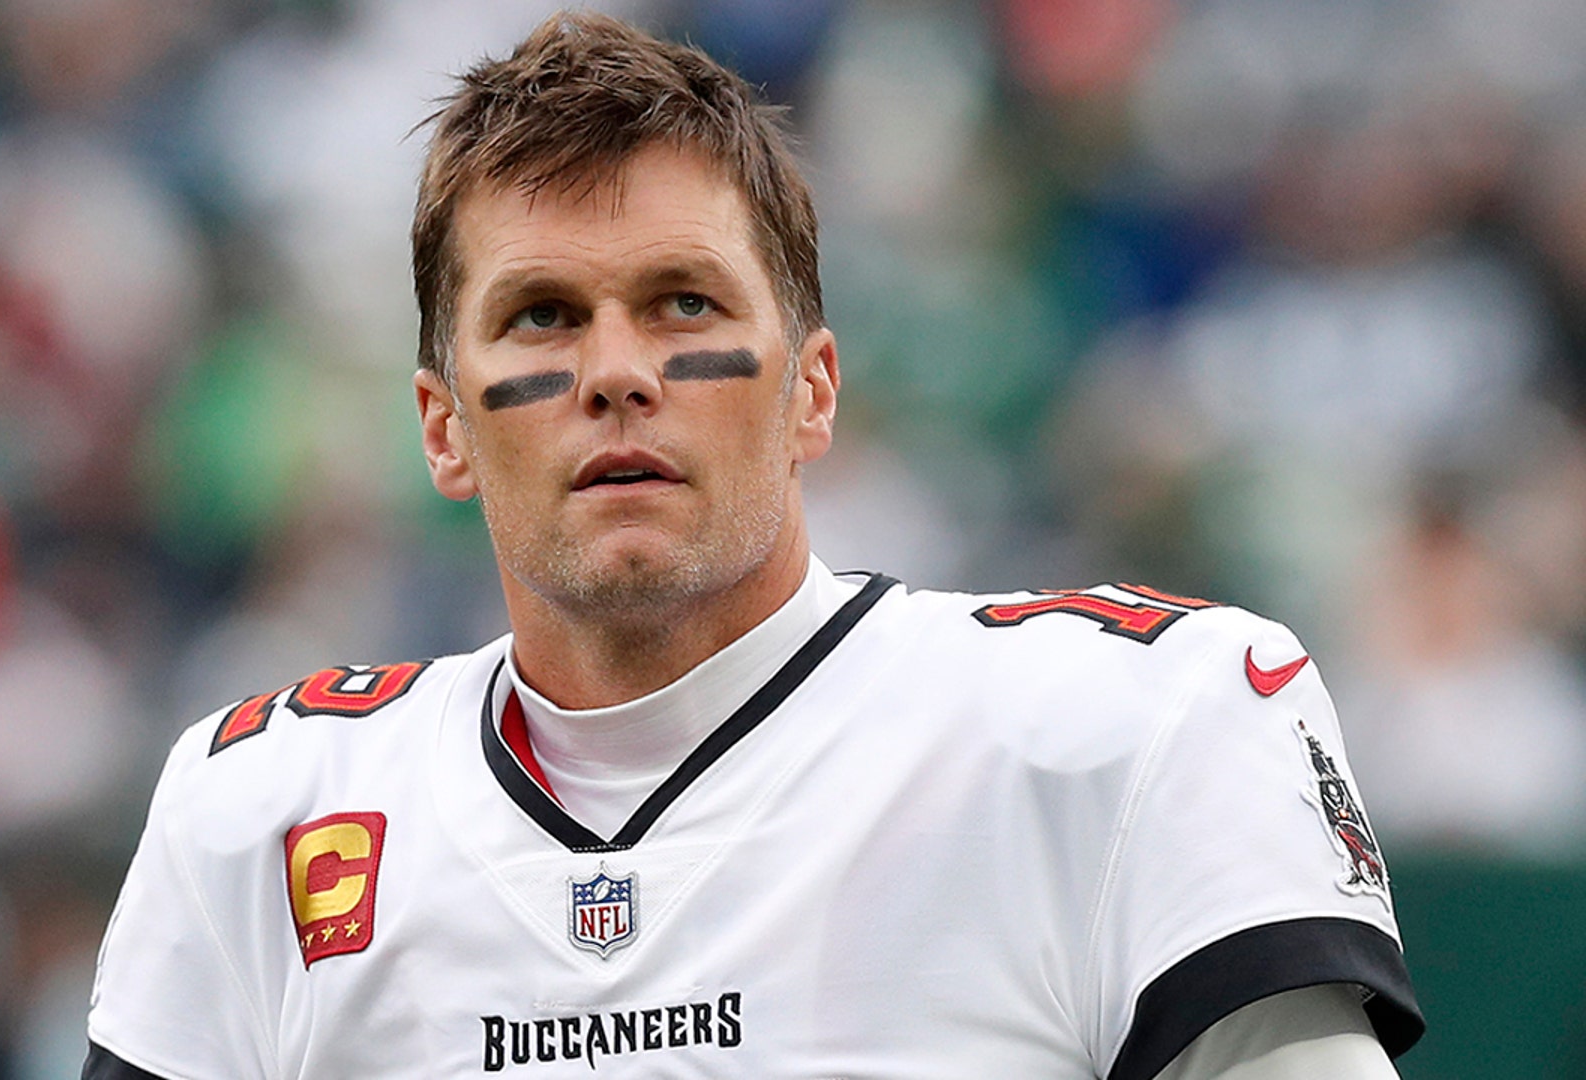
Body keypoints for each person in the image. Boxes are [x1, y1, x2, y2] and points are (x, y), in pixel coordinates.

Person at [83, 12, 1423, 1078]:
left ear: (815, 390)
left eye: (683, 301)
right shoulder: (265, 813)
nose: (617, 373)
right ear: (440, 428)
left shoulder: (1128, 728)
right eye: (543, 316)